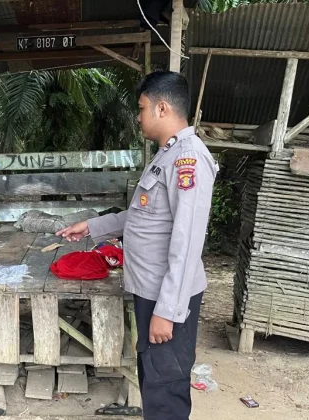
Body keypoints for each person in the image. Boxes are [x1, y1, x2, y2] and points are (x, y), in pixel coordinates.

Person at [57, 71, 217, 420]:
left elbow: (188, 240)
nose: (138, 116)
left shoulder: (188, 160)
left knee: (165, 389)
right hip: (151, 291)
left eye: (142, 108)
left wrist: (168, 311)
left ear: (162, 108)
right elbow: (144, 216)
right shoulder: (166, 156)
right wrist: (92, 226)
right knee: (154, 381)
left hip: (167, 296)